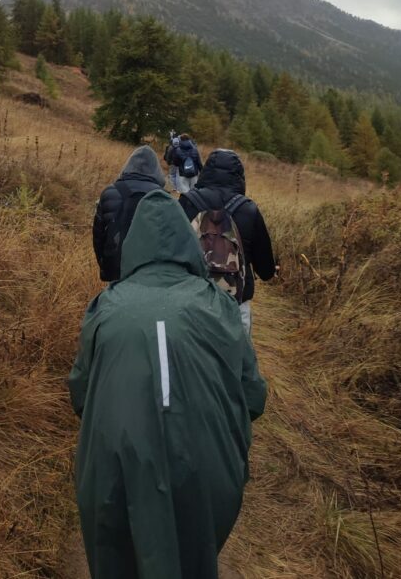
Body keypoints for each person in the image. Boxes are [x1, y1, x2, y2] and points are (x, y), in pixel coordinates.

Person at [70, 190, 267, 579]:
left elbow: (81, 393)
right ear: (188, 244)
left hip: (114, 473)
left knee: (117, 557)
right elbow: (253, 397)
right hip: (208, 472)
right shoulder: (220, 307)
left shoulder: (105, 307)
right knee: (194, 556)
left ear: (133, 247)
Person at [178, 148, 276, 336]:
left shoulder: (187, 203)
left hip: (192, 298)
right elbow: (266, 270)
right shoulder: (249, 210)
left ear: (206, 171)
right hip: (235, 303)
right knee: (237, 354)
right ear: (239, 175)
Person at [92, 145, 167, 282]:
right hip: (151, 270)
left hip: (117, 265)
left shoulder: (109, 193)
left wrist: (105, 266)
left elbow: (99, 235)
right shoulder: (163, 197)